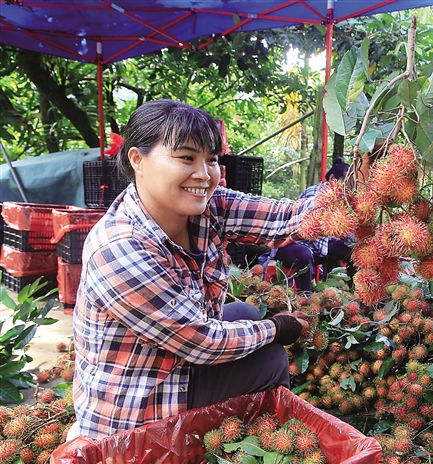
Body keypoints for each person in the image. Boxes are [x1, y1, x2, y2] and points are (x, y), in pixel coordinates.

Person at [73, 99, 311, 439]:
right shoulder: (119, 248)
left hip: (170, 361)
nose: (203, 174)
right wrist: (275, 329)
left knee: (243, 310)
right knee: (270, 358)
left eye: (211, 160)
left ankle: (235, 426)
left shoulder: (206, 207)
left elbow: (284, 217)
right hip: (135, 413)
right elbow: (204, 342)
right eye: (186, 158)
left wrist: (349, 192)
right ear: (137, 160)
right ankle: (247, 442)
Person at [256, 157, 355, 292]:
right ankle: (306, 298)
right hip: (290, 246)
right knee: (304, 254)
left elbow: (337, 231)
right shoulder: (316, 194)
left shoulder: (340, 202)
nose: (349, 191)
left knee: (352, 247)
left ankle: (353, 293)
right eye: (347, 185)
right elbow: (315, 228)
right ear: (332, 179)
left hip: (317, 248)